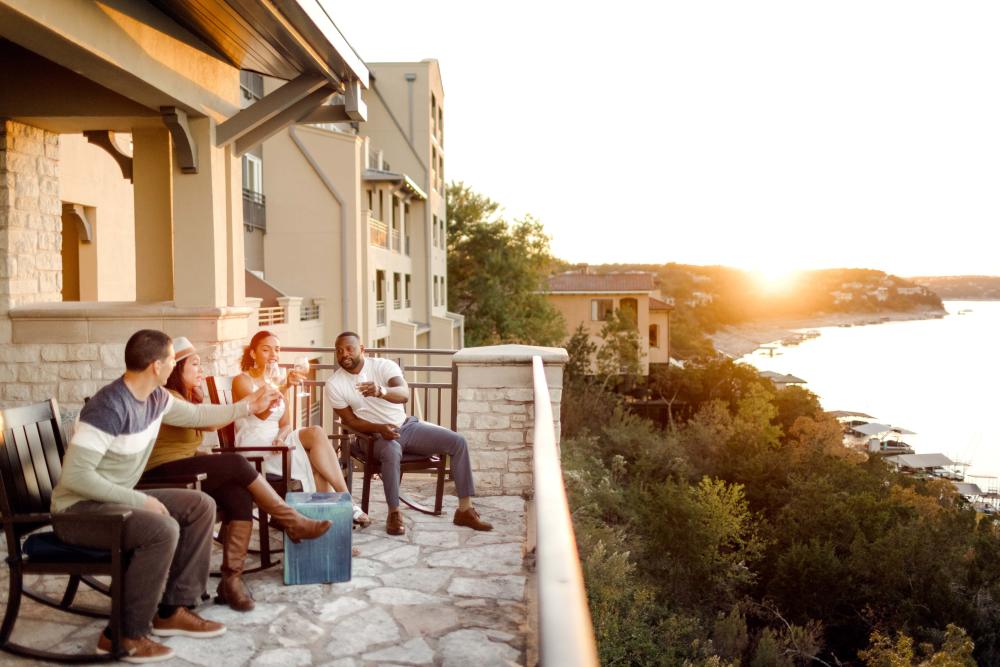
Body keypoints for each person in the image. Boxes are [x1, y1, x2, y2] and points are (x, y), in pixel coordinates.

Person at [51, 330, 283, 663]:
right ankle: (122, 634)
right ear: (156, 365)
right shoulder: (109, 407)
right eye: (172, 358)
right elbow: (76, 477)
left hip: (114, 501)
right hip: (78, 512)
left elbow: (199, 417)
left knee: (201, 505)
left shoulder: (156, 399)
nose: (176, 363)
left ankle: (174, 608)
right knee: (162, 529)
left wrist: (249, 406)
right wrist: (139, 501)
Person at [142, 337, 333, 612]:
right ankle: (291, 520)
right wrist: (248, 405)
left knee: (238, 491)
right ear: (175, 369)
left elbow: (207, 423)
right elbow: (200, 420)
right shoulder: (166, 398)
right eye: (195, 365)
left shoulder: (186, 397)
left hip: (182, 471)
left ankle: (231, 580)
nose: (201, 370)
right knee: (234, 464)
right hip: (160, 476)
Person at [324, 331, 493, 536]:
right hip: (372, 437)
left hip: (406, 427)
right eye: (339, 351)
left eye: (349, 349)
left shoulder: (383, 366)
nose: (344, 354)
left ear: (362, 349)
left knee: (458, 442)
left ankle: (465, 510)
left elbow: (404, 394)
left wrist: (381, 391)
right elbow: (350, 421)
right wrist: (379, 429)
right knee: (392, 450)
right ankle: (394, 513)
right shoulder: (334, 384)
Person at [232, 331, 370, 527]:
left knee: (316, 433)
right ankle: (333, 519)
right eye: (266, 349)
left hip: (277, 443)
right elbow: (261, 412)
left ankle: (337, 511)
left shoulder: (274, 381)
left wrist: (281, 437)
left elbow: (285, 424)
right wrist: (285, 386)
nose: (273, 354)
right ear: (253, 353)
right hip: (255, 446)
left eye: (277, 350)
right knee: (318, 466)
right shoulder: (242, 381)